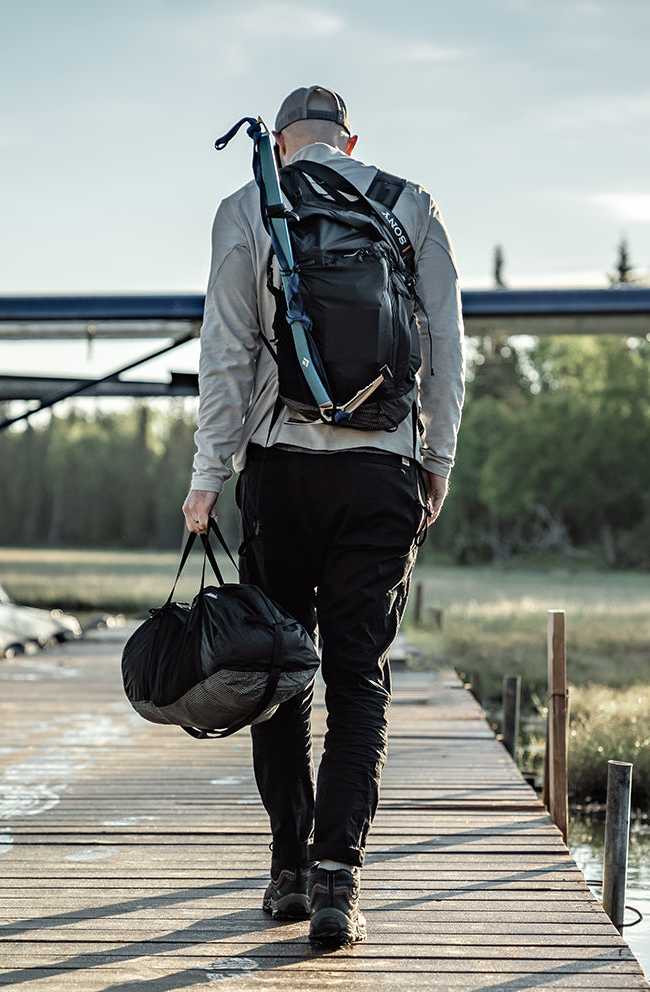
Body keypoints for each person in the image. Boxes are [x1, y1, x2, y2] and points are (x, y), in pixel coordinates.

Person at [182, 85, 465, 946]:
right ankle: (340, 880)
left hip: (281, 473)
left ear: (278, 138)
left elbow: (226, 352)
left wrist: (209, 475)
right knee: (358, 677)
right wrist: (436, 460)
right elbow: (448, 344)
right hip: (382, 472)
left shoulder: (249, 204)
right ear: (351, 140)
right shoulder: (408, 202)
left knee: (280, 674)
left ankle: (287, 871)